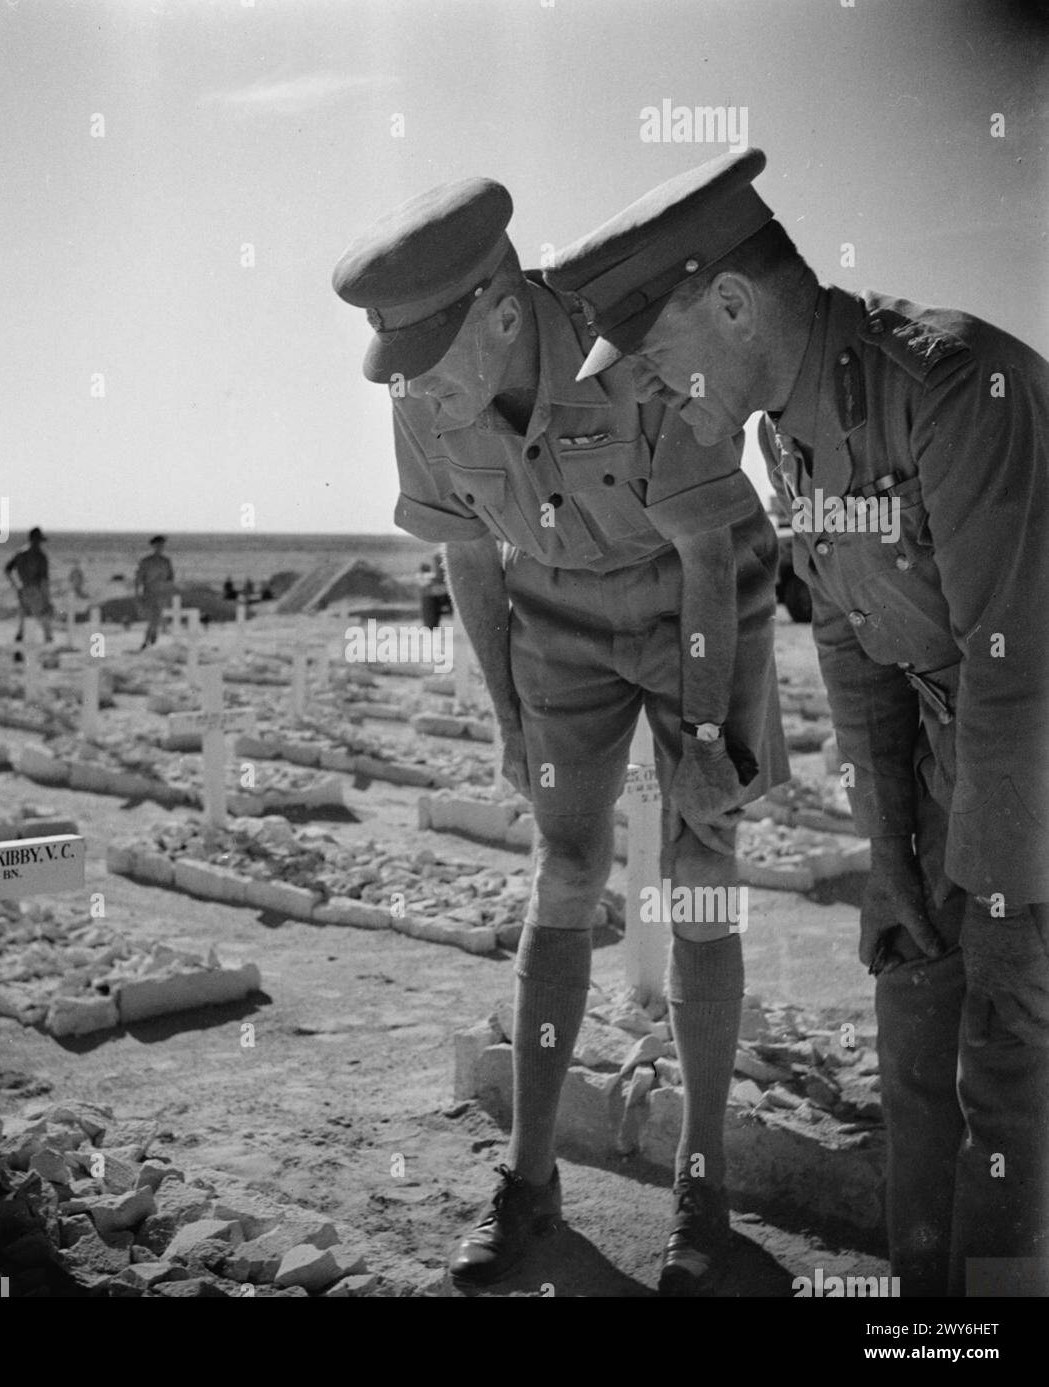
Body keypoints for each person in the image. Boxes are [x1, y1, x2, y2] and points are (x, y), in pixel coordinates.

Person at [549, 147, 1049, 1297]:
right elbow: (851, 640)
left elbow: (1014, 669)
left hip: (1027, 755)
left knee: (1007, 1062)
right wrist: (892, 855)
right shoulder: (784, 426)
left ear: (731, 303)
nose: (656, 391)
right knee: (913, 1014)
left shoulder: (951, 387)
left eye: (657, 358)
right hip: (952, 757)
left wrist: (995, 898)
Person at [333, 177, 789, 1294]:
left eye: (429, 365)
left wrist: (701, 736)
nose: (416, 392)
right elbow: (470, 553)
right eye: (401, 369)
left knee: (701, 864)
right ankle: (528, 1181)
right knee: (567, 865)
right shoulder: (421, 390)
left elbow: (704, 550)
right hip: (559, 617)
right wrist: (504, 713)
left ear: (502, 312)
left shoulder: (627, 342)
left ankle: (701, 1187)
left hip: (698, 594)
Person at [4, 526, 54, 645]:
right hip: (35, 592)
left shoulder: (20, 554)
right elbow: (44, 581)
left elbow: (7, 570)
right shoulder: (40, 556)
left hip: (23, 591)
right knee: (44, 619)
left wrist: (16, 586)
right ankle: (48, 647)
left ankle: (19, 647)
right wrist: (46, 600)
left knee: (24, 620)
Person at [134, 535, 175, 650]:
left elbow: (171, 578)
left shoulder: (166, 561)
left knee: (156, 618)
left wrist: (168, 589)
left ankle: (150, 639)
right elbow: (138, 579)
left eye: (162, 545)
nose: (160, 547)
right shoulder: (146, 561)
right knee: (154, 618)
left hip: (162, 594)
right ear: (153, 546)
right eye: (158, 545)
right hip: (150, 593)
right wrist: (137, 594)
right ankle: (148, 640)